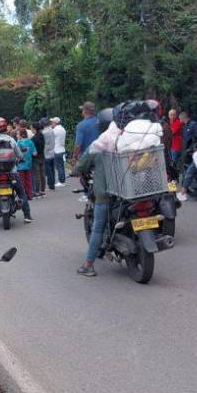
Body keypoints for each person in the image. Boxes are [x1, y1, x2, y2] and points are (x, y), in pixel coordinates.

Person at [74, 108, 115, 277]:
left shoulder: (98, 145)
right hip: (126, 193)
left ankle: (88, 264)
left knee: (97, 227)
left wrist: (75, 170)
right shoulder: (124, 141)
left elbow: (81, 166)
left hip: (105, 194)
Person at [0, 117, 33, 225]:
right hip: (11, 172)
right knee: (21, 193)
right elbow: (19, 154)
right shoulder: (11, 139)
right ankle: (27, 215)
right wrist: (20, 158)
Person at [16, 129, 35, 199]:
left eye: (18, 134)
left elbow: (16, 153)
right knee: (28, 181)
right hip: (29, 164)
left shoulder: (18, 142)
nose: (17, 135)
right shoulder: (30, 142)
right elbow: (34, 153)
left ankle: (22, 196)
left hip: (20, 165)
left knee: (21, 182)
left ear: (22, 135)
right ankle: (29, 195)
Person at [31, 122, 46, 198]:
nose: (31, 129)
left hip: (35, 158)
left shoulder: (33, 138)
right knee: (42, 174)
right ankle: (43, 190)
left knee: (36, 175)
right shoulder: (42, 136)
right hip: (42, 156)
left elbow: (32, 150)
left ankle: (37, 191)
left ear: (34, 129)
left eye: (31, 128)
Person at [51, 117, 67, 186]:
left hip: (57, 150)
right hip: (62, 149)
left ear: (55, 123)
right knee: (62, 166)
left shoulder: (55, 130)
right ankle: (63, 180)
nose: (51, 124)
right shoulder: (63, 129)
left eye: (52, 122)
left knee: (59, 166)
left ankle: (61, 181)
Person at [42, 118, 56, 191]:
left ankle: (50, 184)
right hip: (53, 151)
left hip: (46, 152)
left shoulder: (44, 132)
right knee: (52, 169)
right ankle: (52, 183)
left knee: (48, 170)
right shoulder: (52, 130)